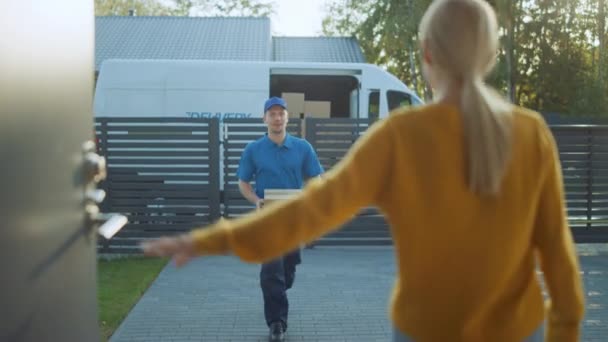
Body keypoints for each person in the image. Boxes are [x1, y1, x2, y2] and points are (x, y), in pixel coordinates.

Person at [142, 0, 585, 341]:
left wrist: (208, 240)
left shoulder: (399, 135)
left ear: (427, 53)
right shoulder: (531, 133)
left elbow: (310, 210)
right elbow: (558, 258)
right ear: (491, 53)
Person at [238, 96, 324, 341]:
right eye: (272, 113)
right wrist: (256, 201)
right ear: (265, 118)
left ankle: (278, 291)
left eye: (281, 113)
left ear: (287, 117)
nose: (277, 117)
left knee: (288, 269)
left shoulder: (303, 147)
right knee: (271, 271)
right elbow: (243, 183)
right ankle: (277, 322)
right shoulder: (253, 149)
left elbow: (315, 178)